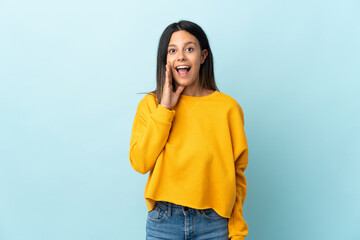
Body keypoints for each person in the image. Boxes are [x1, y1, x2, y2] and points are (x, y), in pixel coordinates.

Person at [129, 20, 249, 240]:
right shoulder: (151, 105)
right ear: (165, 59)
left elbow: (237, 175)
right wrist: (165, 109)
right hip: (164, 222)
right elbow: (140, 162)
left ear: (203, 56)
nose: (181, 56)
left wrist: (238, 231)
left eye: (189, 49)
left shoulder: (228, 108)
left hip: (214, 224)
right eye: (172, 50)